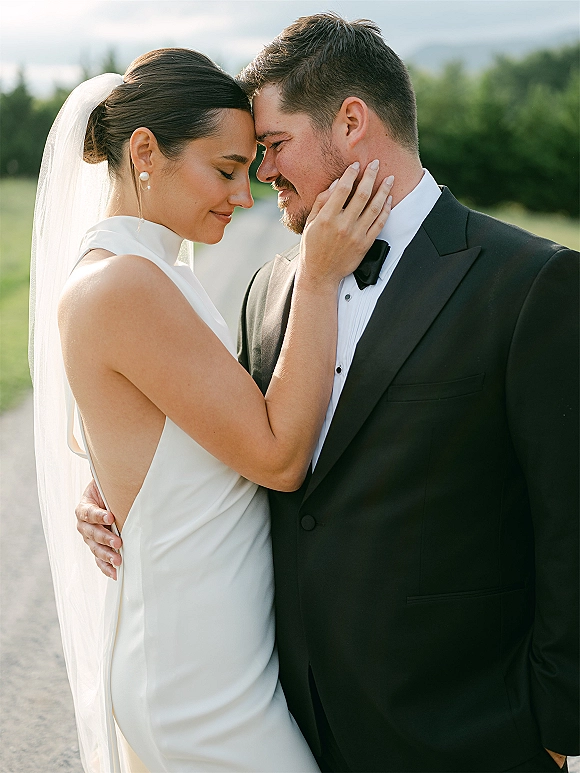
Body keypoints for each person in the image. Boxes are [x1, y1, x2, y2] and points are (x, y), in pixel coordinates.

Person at [76, 14, 579, 773]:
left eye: (273, 147)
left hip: (466, 730)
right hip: (285, 711)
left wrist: (558, 727)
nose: (261, 177)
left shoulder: (530, 284)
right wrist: (114, 481)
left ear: (351, 122)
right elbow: (228, 433)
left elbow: (571, 526)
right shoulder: (268, 289)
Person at [32, 47, 393, 772]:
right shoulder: (123, 286)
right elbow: (278, 456)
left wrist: (112, 490)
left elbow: (124, 438)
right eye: (225, 169)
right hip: (193, 677)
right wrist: (318, 277)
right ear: (144, 153)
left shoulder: (152, 273)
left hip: (217, 657)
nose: (244, 193)